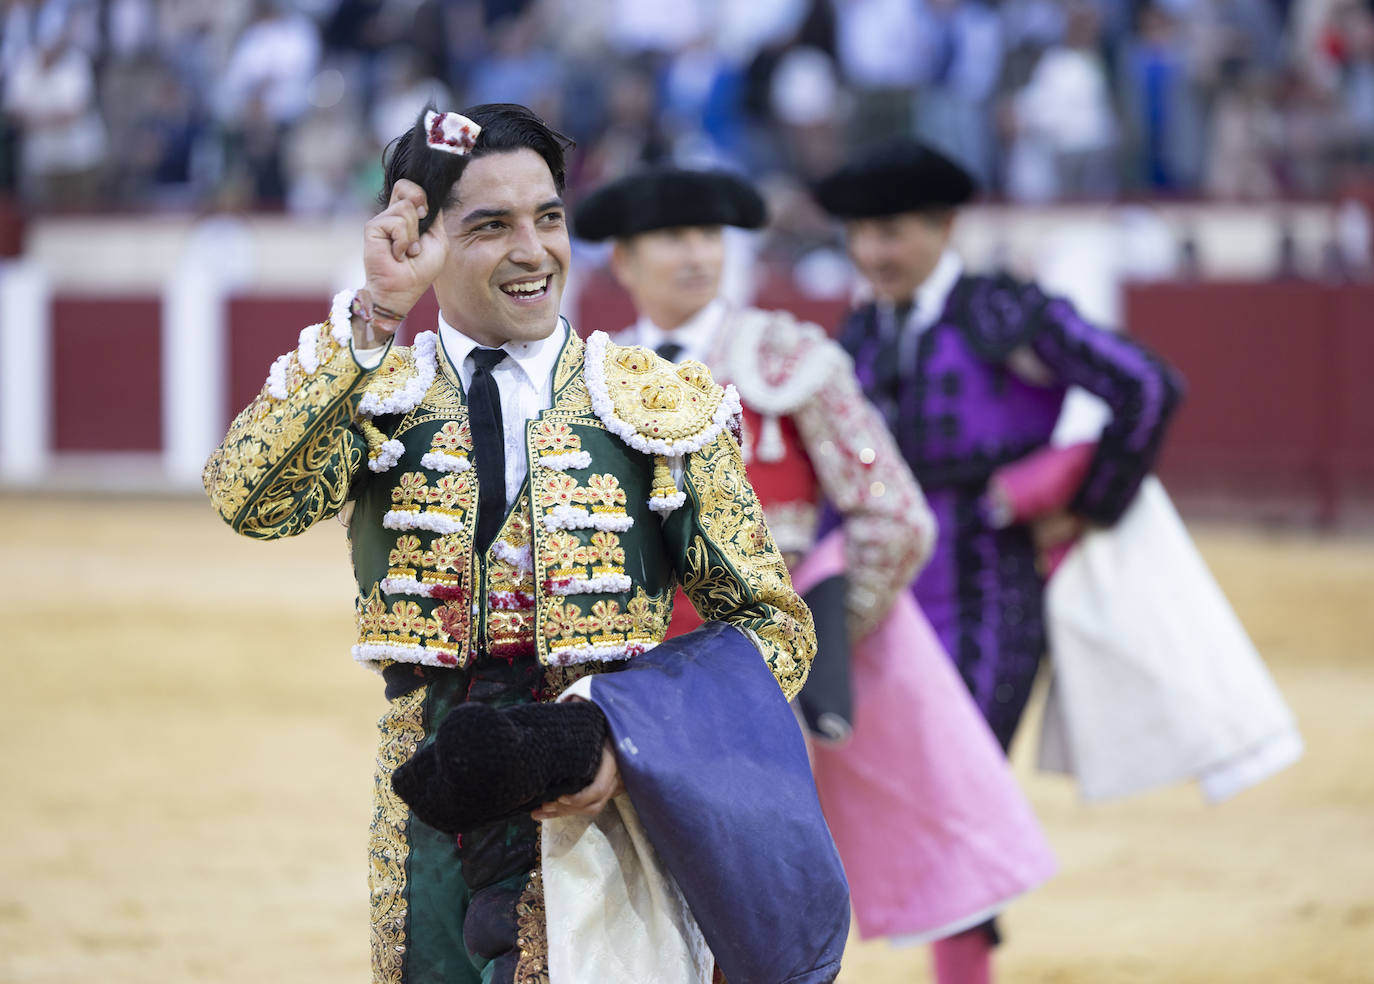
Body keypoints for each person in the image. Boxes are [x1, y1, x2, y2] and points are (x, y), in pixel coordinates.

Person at [204, 103, 847, 984]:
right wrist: (375, 313)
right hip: (428, 797)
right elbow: (250, 499)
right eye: (492, 225)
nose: (534, 250)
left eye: (548, 218)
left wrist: (628, 742)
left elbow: (775, 626)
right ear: (425, 239)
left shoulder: (651, 402)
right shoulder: (377, 385)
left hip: (604, 807)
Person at [573, 166, 1058, 952]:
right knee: (622, 894)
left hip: (743, 675)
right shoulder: (589, 375)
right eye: (671, 237)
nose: (695, 254)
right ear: (624, 261)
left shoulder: (786, 358)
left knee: (750, 898)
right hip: (619, 672)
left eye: (708, 235)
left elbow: (894, 518)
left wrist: (807, 644)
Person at [814, 138, 1184, 983]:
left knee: (956, 792)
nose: (875, 253)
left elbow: (1148, 388)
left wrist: (1078, 500)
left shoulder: (1006, 312)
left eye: (894, 232)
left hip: (993, 588)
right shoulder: (863, 324)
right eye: (861, 236)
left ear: (946, 226)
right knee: (905, 788)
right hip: (888, 599)